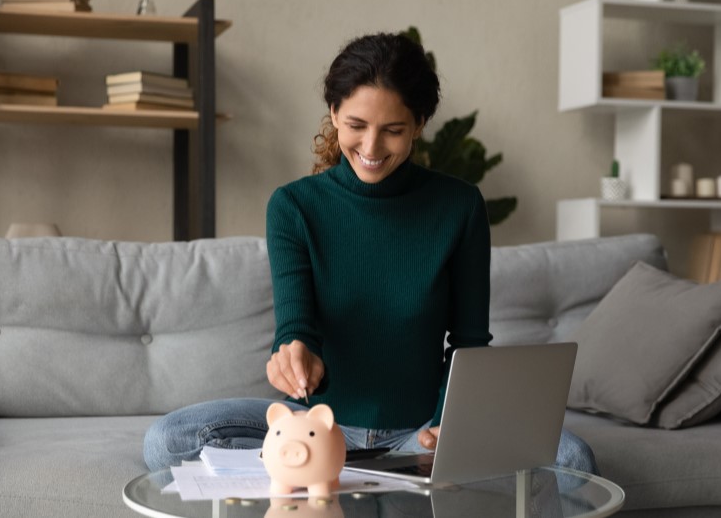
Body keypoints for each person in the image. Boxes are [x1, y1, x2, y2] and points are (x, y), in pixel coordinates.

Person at [143, 32, 598, 475]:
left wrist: (445, 428)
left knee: (572, 458)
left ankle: (359, 476)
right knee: (169, 439)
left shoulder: (459, 207)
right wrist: (295, 353)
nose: (372, 148)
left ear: (419, 125)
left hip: (419, 431)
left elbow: (469, 344)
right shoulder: (295, 206)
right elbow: (296, 328)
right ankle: (336, 471)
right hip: (318, 428)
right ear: (334, 112)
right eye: (356, 126)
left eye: (393, 131)